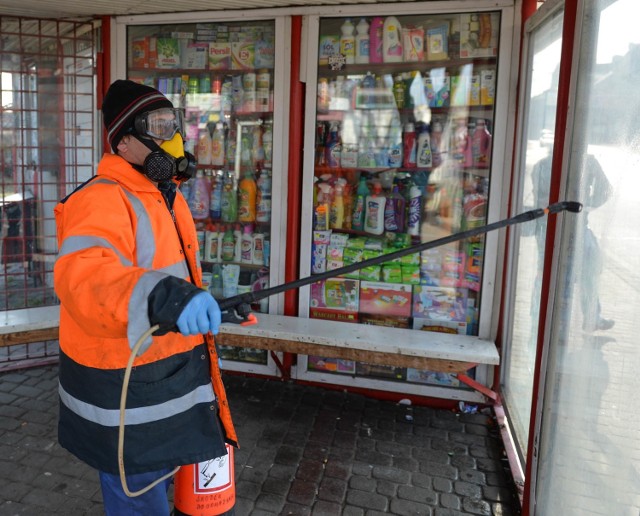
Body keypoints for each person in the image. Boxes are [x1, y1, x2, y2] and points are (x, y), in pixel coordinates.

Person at [53, 80, 237, 515]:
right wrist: (170, 299)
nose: (172, 136)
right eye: (157, 125)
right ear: (124, 141)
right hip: (125, 385)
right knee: (137, 495)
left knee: (167, 485)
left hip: (166, 373)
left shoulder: (163, 195)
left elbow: (167, 273)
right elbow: (85, 277)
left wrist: (200, 302)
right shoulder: (101, 199)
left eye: (173, 123)